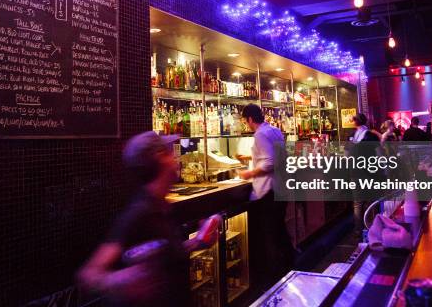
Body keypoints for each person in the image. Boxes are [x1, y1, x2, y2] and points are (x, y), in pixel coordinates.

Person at [77, 132, 218, 307]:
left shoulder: (162, 205)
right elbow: (89, 274)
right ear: (159, 158)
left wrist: (197, 242)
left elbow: (165, 254)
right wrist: (121, 279)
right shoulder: (139, 212)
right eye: (169, 152)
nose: (176, 158)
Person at [237, 104, 293, 285]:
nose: (246, 124)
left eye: (245, 121)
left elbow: (269, 163)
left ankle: (274, 278)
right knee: (279, 231)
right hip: (280, 188)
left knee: (270, 236)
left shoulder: (260, 134)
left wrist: (248, 173)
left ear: (250, 119)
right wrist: (249, 159)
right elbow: (271, 156)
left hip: (268, 191)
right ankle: (290, 267)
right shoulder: (274, 130)